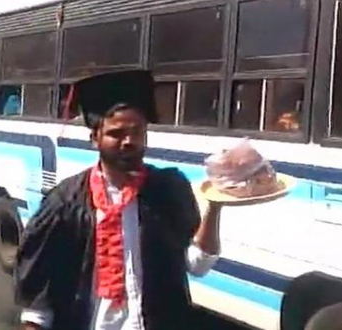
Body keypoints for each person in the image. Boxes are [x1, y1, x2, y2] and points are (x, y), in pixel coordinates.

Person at [15, 70, 223, 330]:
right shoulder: (65, 203)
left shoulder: (168, 190)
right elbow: (38, 306)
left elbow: (198, 264)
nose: (129, 141)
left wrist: (216, 204)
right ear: (95, 138)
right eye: (117, 133)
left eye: (137, 132)